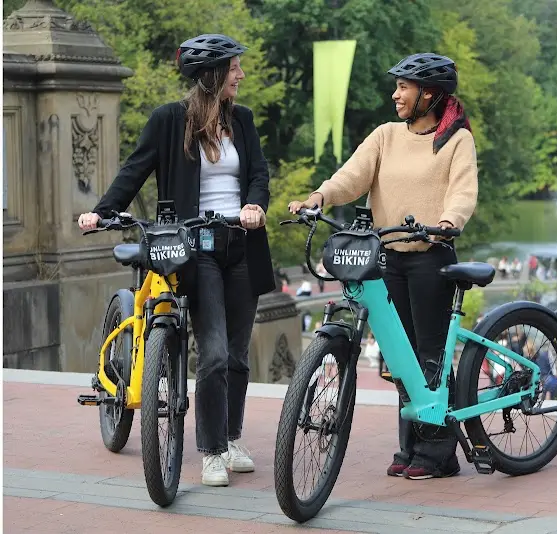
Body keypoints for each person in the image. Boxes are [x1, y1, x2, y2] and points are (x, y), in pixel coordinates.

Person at [78, 34, 274, 487]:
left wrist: (255, 204)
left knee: (239, 356)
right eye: (234, 69)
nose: (240, 76)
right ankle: (211, 451)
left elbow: (259, 172)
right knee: (215, 351)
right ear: (212, 75)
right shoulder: (169, 120)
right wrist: (103, 211)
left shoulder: (242, 120)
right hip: (195, 247)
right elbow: (136, 168)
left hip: (240, 243)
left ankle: (230, 434)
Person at [288, 52, 478, 480]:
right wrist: (319, 197)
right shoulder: (386, 136)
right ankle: (410, 446)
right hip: (388, 257)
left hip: (432, 256)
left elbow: (463, 190)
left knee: (428, 356)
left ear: (428, 94)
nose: (395, 95)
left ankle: (438, 454)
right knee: (398, 356)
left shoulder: (455, 140)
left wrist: (448, 222)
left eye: (403, 88)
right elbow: (351, 176)